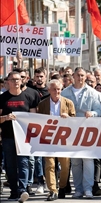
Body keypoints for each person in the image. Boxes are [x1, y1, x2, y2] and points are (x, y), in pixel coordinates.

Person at [61, 67, 101, 199]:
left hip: (88, 130)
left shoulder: (92, 92)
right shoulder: (65, 92)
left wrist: (93, 113)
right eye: (78, 75)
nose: (80, 78)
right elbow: (60, 109)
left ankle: (88, 189)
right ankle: (78, 189)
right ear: (73, 76)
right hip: (71, 131)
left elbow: (98, 110)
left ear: (86, 77)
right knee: (75, 161)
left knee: (88, 159)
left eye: (83, 75)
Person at [0, 71, 40, 202]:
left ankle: (22, 189)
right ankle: (13, 190)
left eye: (18, 80)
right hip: (8, 137)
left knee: (23, 163)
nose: (16, 82)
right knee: (10, 165)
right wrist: (5, 118)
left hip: (24, 137)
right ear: (8, 82)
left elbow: (34, 118)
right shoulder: (2, 98)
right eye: (13, 80)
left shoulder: (28, 96)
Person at [37, 80, 75, 200]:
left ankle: (62, 187)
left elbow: (75, 121)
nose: (57, 91)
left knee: (65, 165)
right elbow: (38, 120)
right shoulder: (43, 104)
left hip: (64, 139)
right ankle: (52, 190)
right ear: (49, 90)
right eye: (54, 89)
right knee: (50, 165)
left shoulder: (68, 103)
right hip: (48, 139)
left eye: (59, 89)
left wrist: (68, 117)